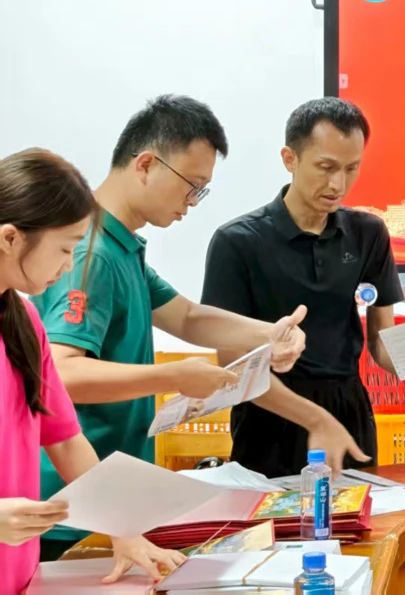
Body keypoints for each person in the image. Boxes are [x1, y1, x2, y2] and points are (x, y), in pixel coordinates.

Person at [32, 96, 308, 559]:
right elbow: (61, 373)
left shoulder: (121, 245)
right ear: (145, 164)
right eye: (192, 186)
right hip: (71, 507)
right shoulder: (90, 253)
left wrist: (269, 333)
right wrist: (174, 376)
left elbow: (187, 316)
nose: (192, 202)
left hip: (104, 498)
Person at [202, 98, 405, 479]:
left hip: (349, 411)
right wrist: (313, 418)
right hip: (270, 413)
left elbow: (380, 340)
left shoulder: (368, 233)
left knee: (359, 513)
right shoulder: (238, 242)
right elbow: (233, 363)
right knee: (274, 515)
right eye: (326, 167)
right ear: (290, 158)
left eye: (351, 168)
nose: (338, 185)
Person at [1, 148, 186, 589]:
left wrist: (122, 529)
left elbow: (65, 439)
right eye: (66, 248)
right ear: (10, 238)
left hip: (20, 576)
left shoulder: (26, 323)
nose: (70, 265)